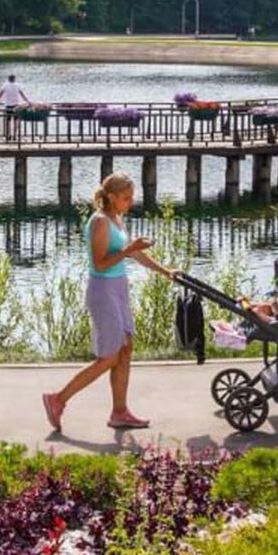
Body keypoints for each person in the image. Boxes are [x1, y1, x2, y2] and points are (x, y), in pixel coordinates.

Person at [42, 173, 176, 432]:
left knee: (125, 351)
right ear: (111, 197)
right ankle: (57, 399)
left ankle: (120, 412)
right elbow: (101, 263)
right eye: (126, 198)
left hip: (118, 289)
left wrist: (165, 271)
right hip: (103, 291)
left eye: (131, 197)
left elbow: (135, 253)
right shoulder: (100, 222)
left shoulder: (117, 218)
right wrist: (127, 251)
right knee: (110, 356)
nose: (130, 201)